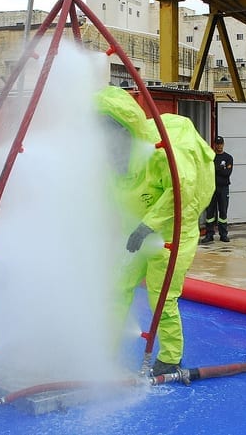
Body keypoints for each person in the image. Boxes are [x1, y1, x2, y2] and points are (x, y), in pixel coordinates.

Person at [95, 86, 215, 376]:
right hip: (135, 235)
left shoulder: (159, 153)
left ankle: (170, 356)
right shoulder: (110, 159)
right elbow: (110, 198)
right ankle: (103, 350)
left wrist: (147, 225)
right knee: (116, 287)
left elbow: (181, 192)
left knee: (161, 295)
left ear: (125, 130)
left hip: (172, 234)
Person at [201, 135, 234, 243]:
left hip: (223, 188)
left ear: (223, 144)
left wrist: (216, 168)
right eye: (217, 144)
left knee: (223, 212)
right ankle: (209, 234)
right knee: (210, 212)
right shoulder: (210, 157)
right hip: (211, 188)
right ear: (214, 144)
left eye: (221, 144)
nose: (219, 146)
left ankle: (223, 234)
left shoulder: (228, 158)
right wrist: (221, 168)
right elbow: (207, 171)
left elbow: (227, 173)